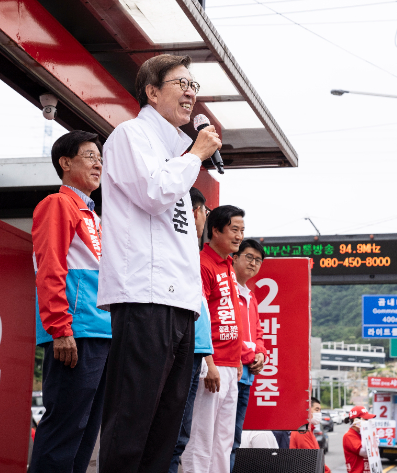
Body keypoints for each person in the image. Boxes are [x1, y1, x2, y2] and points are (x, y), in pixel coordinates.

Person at [96, 53, 221, 473]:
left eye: (194, 86)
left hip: (180, 304)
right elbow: (153, 192)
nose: (190, 93)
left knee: (165, 431)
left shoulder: (174, 153)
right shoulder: (130, 136)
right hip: (145, 297)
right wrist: (196, 155)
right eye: (180, 84)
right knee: (131, 422)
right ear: (152, 92)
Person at [29, 130, 111, 473]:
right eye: (90, 156)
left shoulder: (94, 215)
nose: (99, 164)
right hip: (75, 334)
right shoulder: (57, 204)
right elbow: (50, 267)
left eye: (101, 158)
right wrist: (61, 328)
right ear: (65, 162)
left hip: (102, 334)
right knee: (64, 430)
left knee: (85, 433)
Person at [182, 205, 245, 473]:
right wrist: (208, 362)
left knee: (224, 440)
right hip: (213, 363)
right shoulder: (202, 264)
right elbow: (197, 315)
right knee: (201, 436)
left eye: (242, 230)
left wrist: (239, 357)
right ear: (215, 229)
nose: (239, 236)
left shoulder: (228, 264)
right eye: (234, 229)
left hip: (232, 364)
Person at [168, 187, 214, 473]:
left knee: (180, 435)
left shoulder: (191, 253)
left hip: (194, 351)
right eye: (205, 213)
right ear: (195, 212)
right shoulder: (180, 251)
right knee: (174, 434)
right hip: (182, 349)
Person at [230, 239, 267, 471]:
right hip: (229, 370)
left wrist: (261, 353)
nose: (254, 263)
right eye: (249, 257)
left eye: (258, 260)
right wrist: (249, 353)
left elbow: (258, 332)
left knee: (234, 438)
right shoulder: (227, 288)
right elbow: (222, 329)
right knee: (219, 437)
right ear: (234, 257)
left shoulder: (251, 296)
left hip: (247, 375)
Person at [290, 397, 331, 473]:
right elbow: (312, 460)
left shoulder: (308, 430)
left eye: (320, 410)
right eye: (316, 410)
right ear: (307, 410)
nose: (319, 413)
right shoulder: (302, 431)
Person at [342, 405, 375, 473]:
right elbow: (365, 452)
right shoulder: (349, 436)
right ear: (356, 420)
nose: (368, 422)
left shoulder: (361, 434)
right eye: (365, 419)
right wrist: (365, 431)